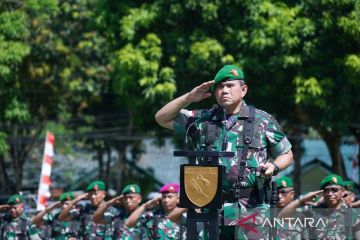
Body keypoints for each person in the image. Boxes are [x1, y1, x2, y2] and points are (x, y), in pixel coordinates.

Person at [155, 64, 293, 238]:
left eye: (230, 86)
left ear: (243, 90)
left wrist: (274, 166)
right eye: (220, 87)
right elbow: (161, 118)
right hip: (212, 209)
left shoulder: (262, 120)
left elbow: (287, 154)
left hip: (252, 208)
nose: (224, 90)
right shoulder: (203, 120)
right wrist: (189, 97)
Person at [280, 174, 360, 239]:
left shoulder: (353, 215)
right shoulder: (312, 212)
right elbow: (282, 216)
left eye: (334, 190)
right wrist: (301, 200)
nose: (330, 193)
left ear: (342, 192)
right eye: (326, 191)